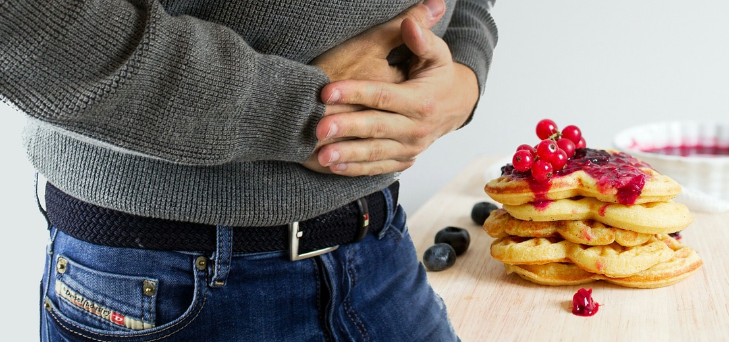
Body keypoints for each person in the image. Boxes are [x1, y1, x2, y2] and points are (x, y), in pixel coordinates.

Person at [0, 0, 497, 341]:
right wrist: (299, 112)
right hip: (168, 277)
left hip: (378, 244)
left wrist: (463, 77)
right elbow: (25, 24)